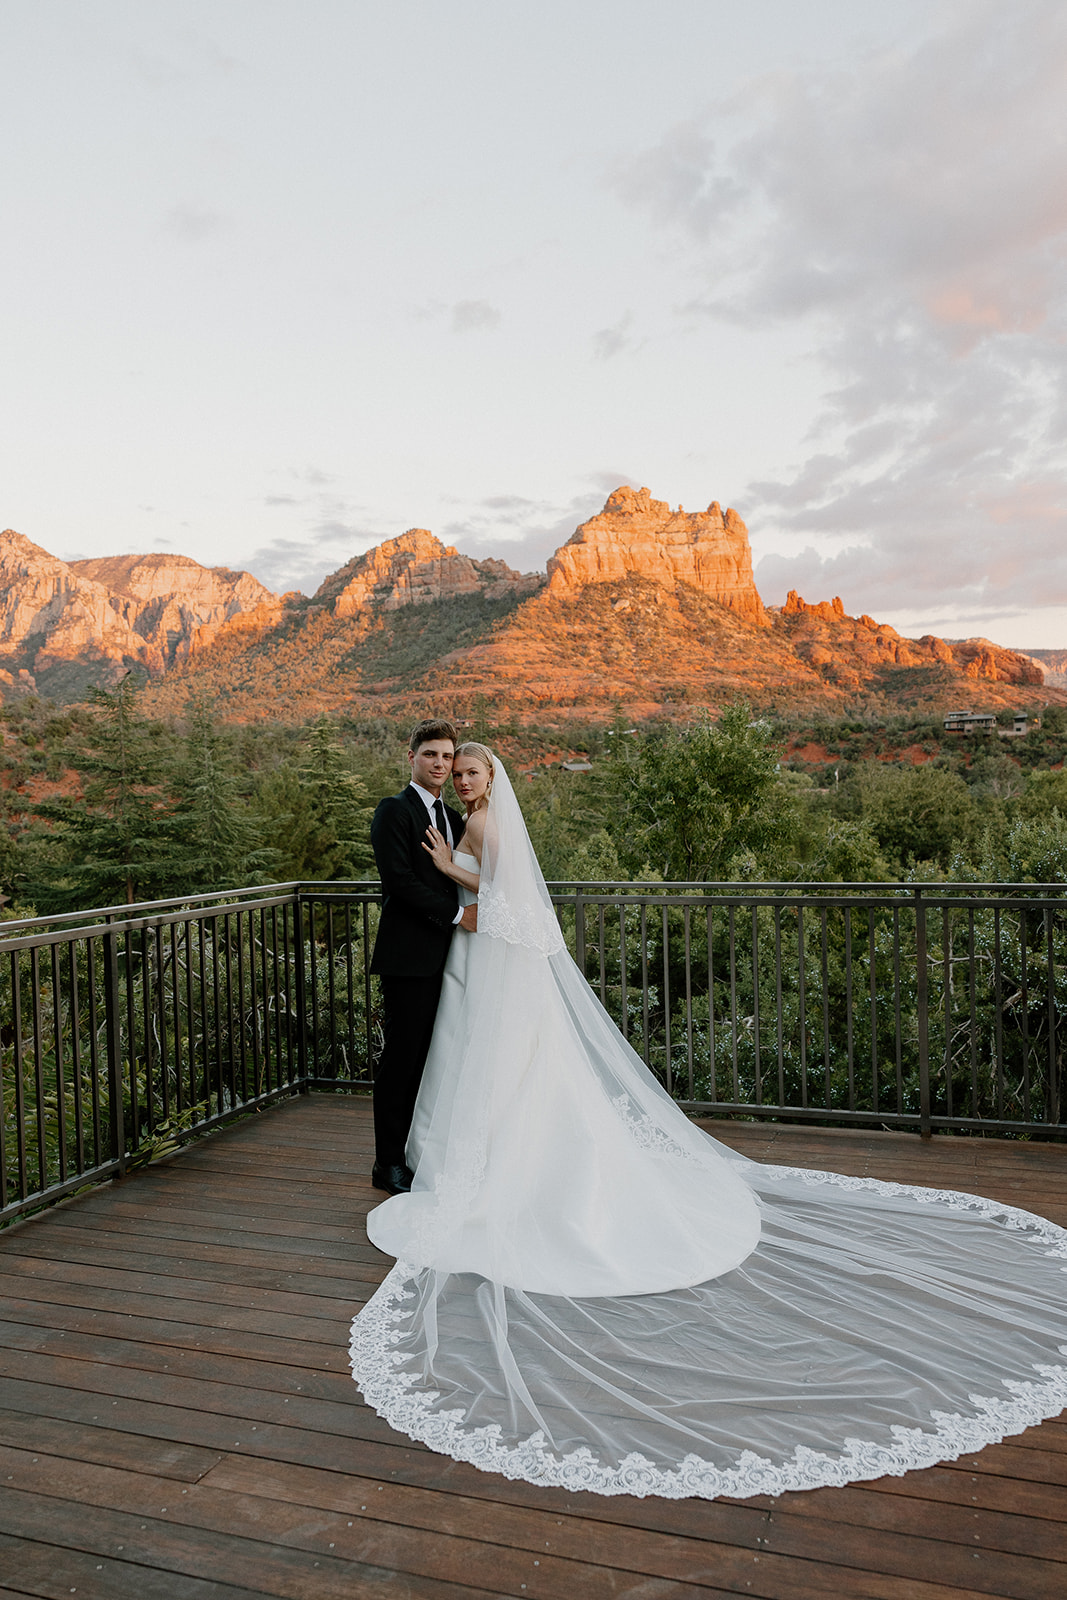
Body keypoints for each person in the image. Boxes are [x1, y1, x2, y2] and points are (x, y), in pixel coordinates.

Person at [351, 747, 1067, 1502]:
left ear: (489, 777)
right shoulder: (452, 815)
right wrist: (450, 872)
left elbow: (508, 897)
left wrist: (453, 872)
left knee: (497, 1069)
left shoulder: (485, 823)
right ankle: (442, 1155)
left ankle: (488, 1162)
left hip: (482, 949)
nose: (459, 778)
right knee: (468, 1064)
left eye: (466, 769)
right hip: (465, 961)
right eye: (450, 769)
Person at [367, 719, 473, 1196]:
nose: (439, 763)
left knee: (436, 1061)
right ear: (411, 757)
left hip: (450, 961)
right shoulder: (395, 811)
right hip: (408, 959)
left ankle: (418, 1152)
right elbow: (400, 883)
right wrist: (455, 915)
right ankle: (387, 1162)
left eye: (447, 757)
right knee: (402, 1060)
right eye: (431, 754)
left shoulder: (454, 819)